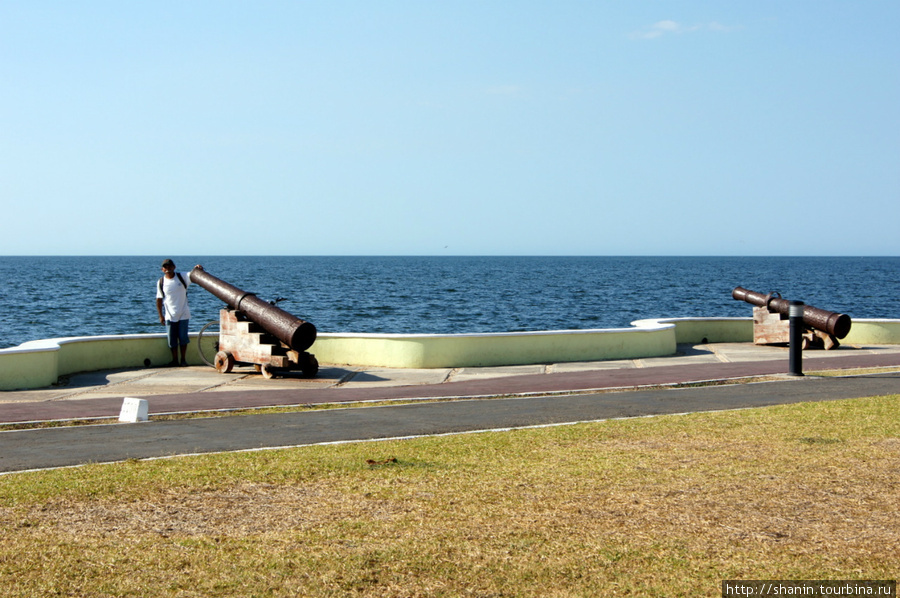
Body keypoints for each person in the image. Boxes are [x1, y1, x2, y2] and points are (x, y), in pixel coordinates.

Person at [155, 259, 203, 366]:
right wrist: (160, 316)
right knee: (172, 341)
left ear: (174, 267)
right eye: (165, 267)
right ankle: (175, 360)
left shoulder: (182, 277)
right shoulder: (161, 282)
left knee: (183, 339)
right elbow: (158, 300)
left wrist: (197, 267)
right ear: (162, 269)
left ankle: (183, 360)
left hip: (183, 313)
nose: (168, 269)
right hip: (169, 315)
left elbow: (192, 274)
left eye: (170, 266)